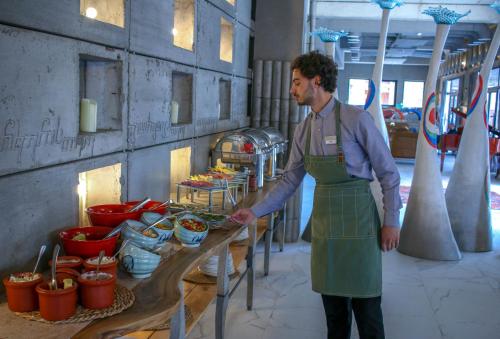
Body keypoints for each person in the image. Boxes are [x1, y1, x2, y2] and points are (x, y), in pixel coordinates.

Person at [231, 51, 402, 339]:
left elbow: (389, 173)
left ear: (317, 81)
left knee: (368, 310)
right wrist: (255, 211)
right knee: (334, 315)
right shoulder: (303, 130)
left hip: (359, 224)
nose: (291, 89)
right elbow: (289, 181)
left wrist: (392, 221)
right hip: (326, 228)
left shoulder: (356, 119)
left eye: (297, 82)